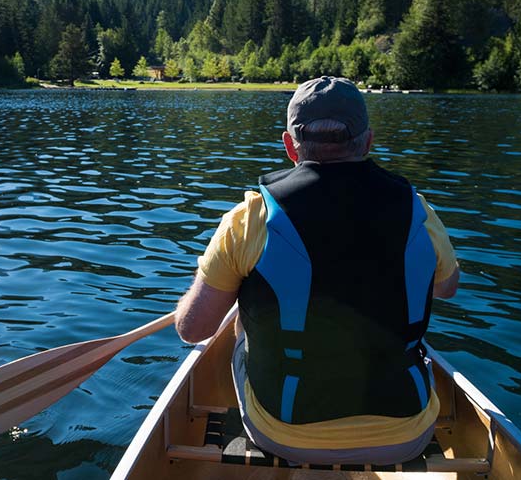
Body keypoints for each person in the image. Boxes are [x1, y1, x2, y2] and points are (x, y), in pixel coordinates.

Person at [175, 76, 460, 465]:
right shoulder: (417, 211)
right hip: (406, 435)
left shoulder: (251, 218)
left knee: (240, 322)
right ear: (368, 141)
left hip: (284, 435)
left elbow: (192, 329)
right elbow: (446, 288)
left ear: (290, 145)